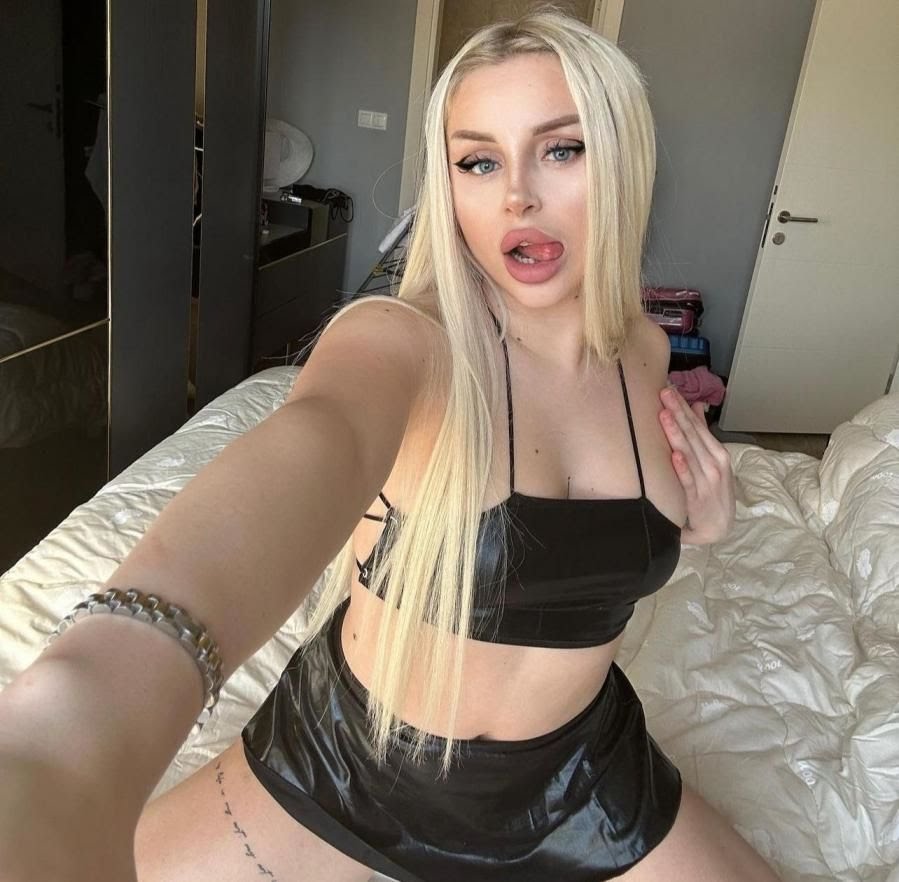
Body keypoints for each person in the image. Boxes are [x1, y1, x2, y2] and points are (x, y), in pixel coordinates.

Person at [0, 7, 778, 882]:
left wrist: (701, 525)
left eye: (562, 150)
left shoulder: (642, 346)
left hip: (578, 777)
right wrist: (71, 714)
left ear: (624, 158)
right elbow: (315, 439)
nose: (516, 196)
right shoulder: (401, 340)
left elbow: (603, 535)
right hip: (354, 772)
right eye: (478, 162)